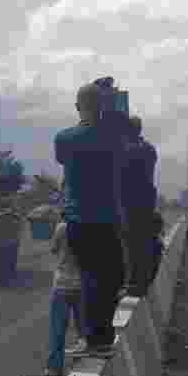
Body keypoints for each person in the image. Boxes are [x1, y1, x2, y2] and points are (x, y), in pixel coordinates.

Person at [54, 77, 129, 357]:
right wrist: (107, 97)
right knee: (109, 279)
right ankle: (101, 339)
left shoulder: (64, 139)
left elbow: (63, 160)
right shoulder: (113, 137)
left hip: (78, 219)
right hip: (107, 219)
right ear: (101, 107)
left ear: (77, 107)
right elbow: (120, 120)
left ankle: (92, 340)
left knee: (88, 278)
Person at [120, 115, 159, 297]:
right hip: (146, 203)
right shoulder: (150, 149)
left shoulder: (126, 150)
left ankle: (132, 282)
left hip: (130, 203)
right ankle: (141, 282)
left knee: (129, 245)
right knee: (142, 244)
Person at [45, 216, 84, 376]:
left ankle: (55, 369)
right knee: (83, 331)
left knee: (58, 330)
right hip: (82, 286)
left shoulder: (62, 227)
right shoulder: (92, 227)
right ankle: (82, 365)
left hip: (61, 285)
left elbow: (53, 249)